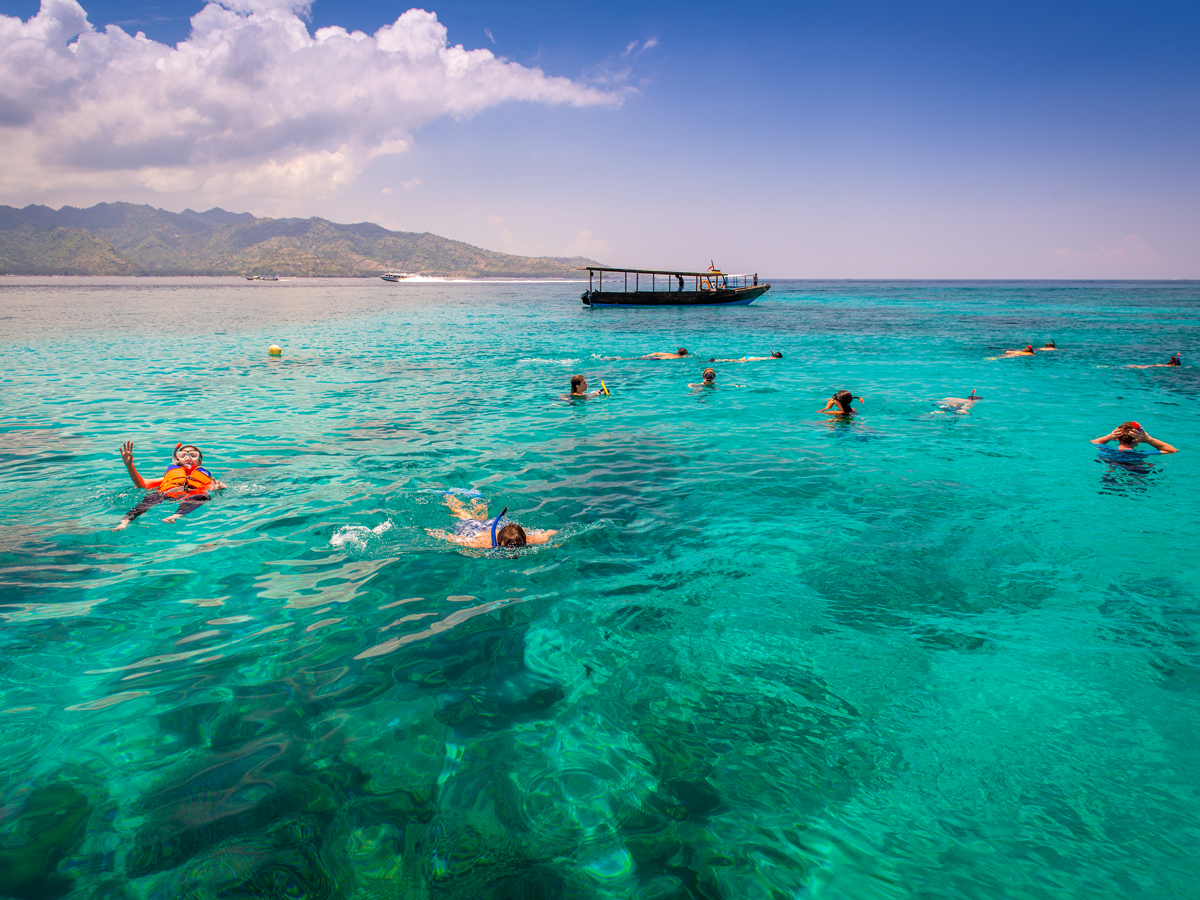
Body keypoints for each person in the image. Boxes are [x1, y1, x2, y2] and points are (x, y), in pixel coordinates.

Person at [115, 441, 226, 529]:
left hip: (192, 496)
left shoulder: (207, 478)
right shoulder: (168, 477)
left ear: (199, 462)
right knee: (151, 497)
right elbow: (141, 485)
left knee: (203, 496)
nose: (188, 458)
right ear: (177, 460)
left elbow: (222, 487)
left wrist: (216, 488)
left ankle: (175, 516)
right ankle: (126, 521)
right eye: (183, 455)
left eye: (193, 455)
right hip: (167, 494)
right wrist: (129, 465)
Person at [433, 494, 556, 549]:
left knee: (481, 517)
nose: (513, 549)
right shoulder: (485, 543)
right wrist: (439, 534)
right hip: (478, 530)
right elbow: (461, 542)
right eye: (508, 546)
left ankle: (477, 501)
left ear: (524, 540)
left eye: (518, 546)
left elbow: (550, 532)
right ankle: (450, 497)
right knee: (464, 516)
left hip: (495, 525)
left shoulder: (530, 540)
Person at [1090, 422, 1177, 454]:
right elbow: (1172, 450)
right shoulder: (1142, 454)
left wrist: (1110, 436)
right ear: (1138, 440)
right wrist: (1148, 440)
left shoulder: (1108, 451)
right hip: (1136, 473)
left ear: (1117, 438)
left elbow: (1094, 442)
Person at [709, 351, 782, 362]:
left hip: (750, 356)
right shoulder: (772, 358)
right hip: (752, 359)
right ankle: (716, 360)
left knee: (735, 360)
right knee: (734, 361)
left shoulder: (770, 356)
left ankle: (717, 360)